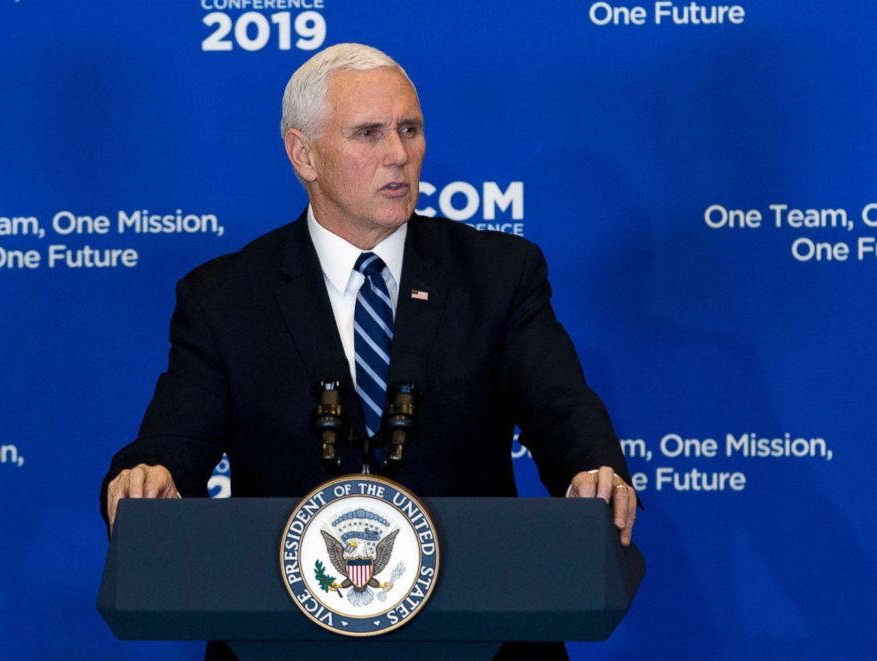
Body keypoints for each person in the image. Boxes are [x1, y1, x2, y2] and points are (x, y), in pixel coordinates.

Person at [101, 42, 637, 659]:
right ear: (304, 154)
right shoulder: (225, 297)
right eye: (369, 134)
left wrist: (591, 469)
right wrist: (152, 478)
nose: (400, 155)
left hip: (480, 632)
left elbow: (560, 404)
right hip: (282, 636)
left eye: (410, 129)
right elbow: (175, 439)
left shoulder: (498, 273)